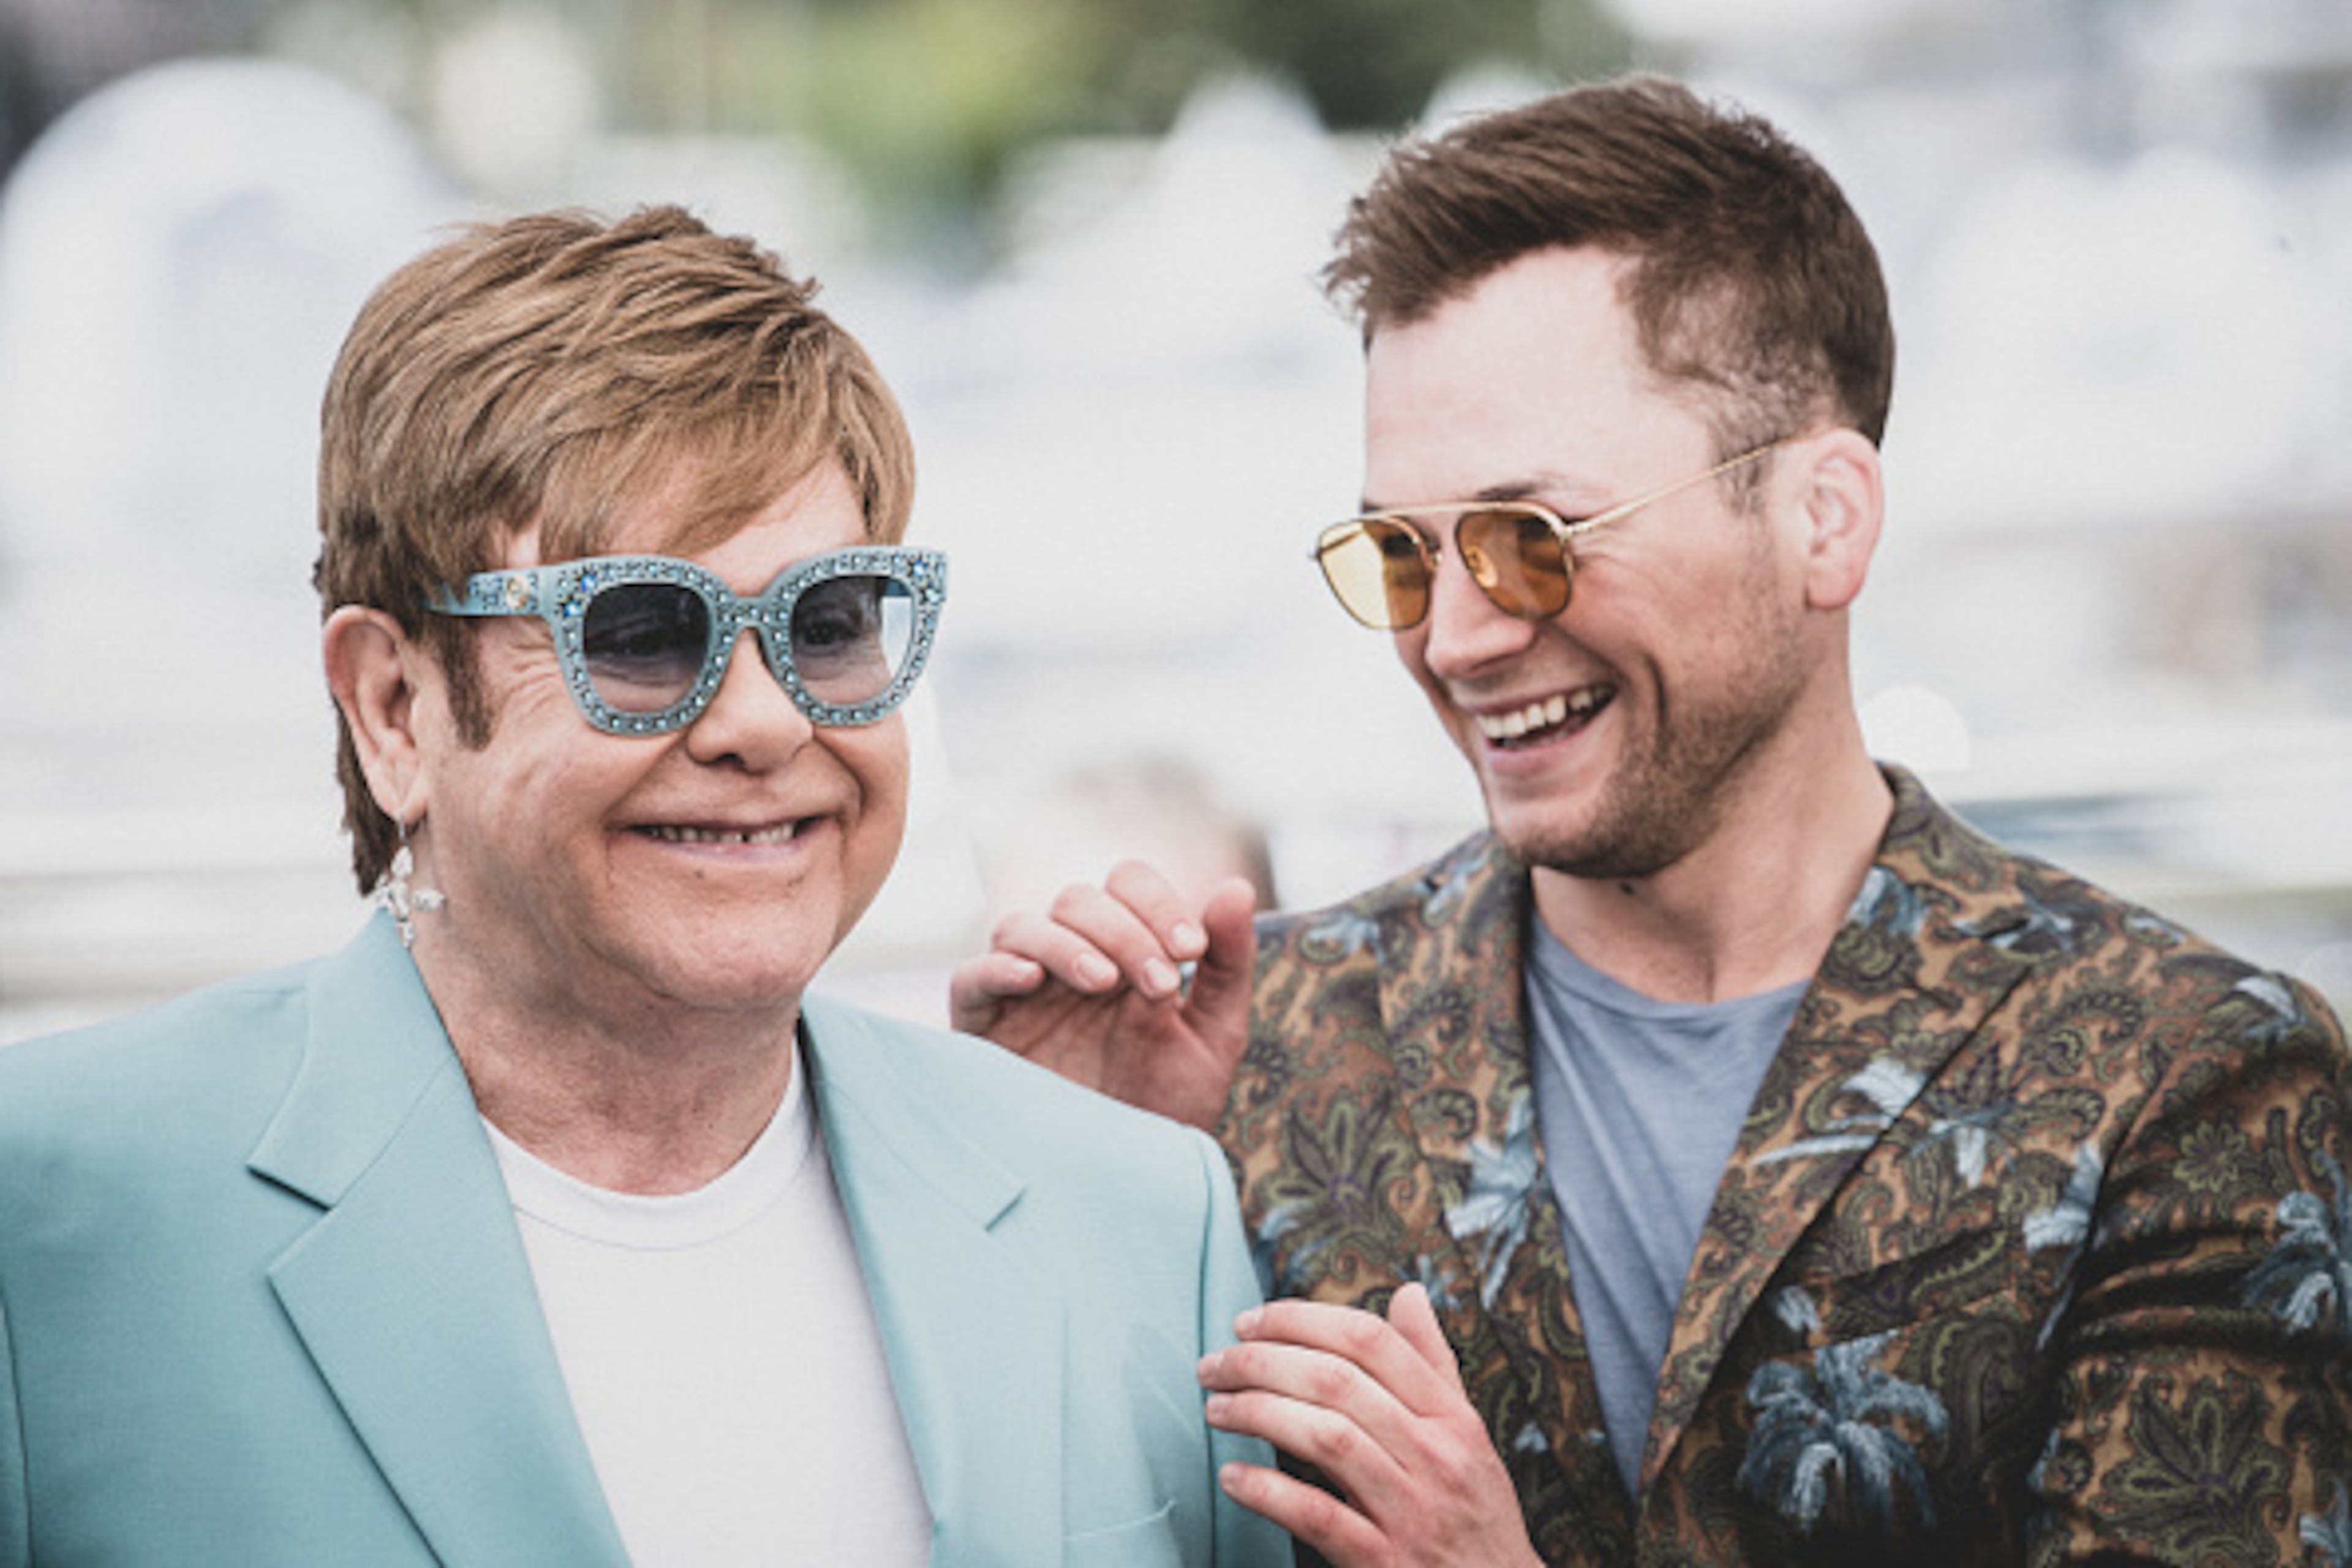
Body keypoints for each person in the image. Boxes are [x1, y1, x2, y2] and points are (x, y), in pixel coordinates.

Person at [951, 77, 2352, 1566]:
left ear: (1824, 518)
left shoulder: (2187, 1076)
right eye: (1403, 555)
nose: (1457, 638)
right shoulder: (1243, 1050)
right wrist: (1038, 1212)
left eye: (1534, 538)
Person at [0, 206, 1291, 1568]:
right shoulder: (51, 1215)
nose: (765, 722)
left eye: (830, 621)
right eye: (638, 630)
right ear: (394, 707)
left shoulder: (1147, 1211)